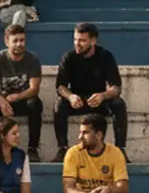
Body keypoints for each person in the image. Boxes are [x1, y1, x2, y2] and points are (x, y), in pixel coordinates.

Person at [54, 22, 129, 162]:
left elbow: (116, 87)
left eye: (82, 40)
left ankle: (120, 150)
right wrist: (70, 97)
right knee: (60, 104)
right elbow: (60, 86)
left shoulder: (105, 56)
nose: (77, 43)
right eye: (75, 39)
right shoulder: (68, 57)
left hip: (98, 101)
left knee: (118, 103)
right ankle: (62, 149)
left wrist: (103, 95)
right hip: (77, 101)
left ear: (93, 41)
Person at [0, 24, 43, 159]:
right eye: (15, 41)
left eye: (22, 40)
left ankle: (32, 149)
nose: (19, 44)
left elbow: (34, 89)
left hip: (22, 100)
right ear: (7, 42)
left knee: (35, 104)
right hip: (3, 101)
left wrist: (18, 96)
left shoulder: (33, 59)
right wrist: (2, 102)